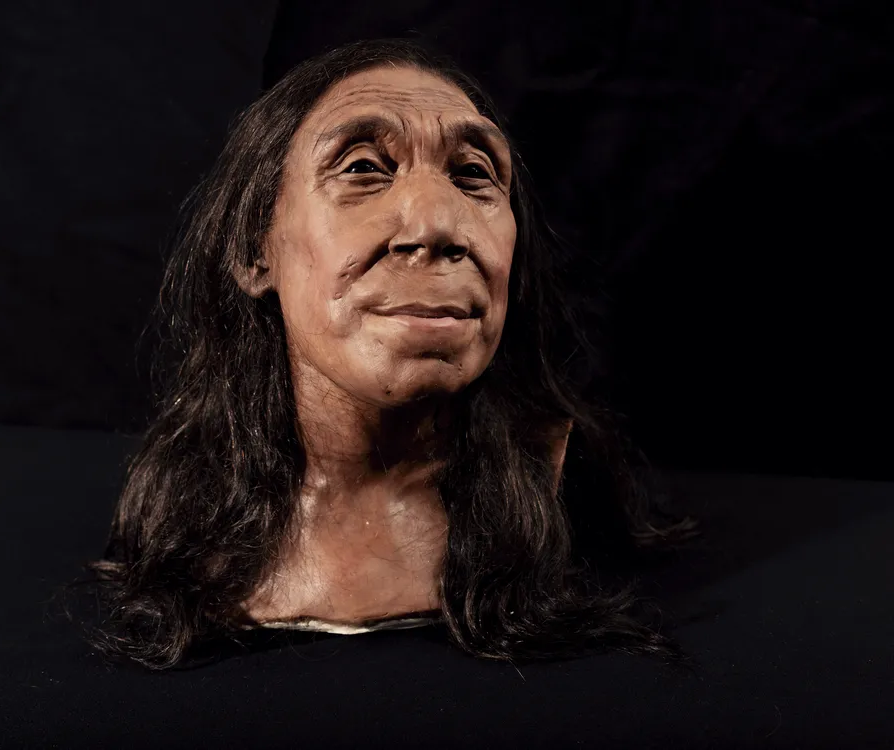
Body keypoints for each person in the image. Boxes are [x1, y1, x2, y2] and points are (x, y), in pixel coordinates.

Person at [71, 37, 699, 671]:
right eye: (363, 168)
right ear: (255, 251)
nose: (435, 226)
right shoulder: (196, 498)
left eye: (473, 174)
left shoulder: (557, 475)